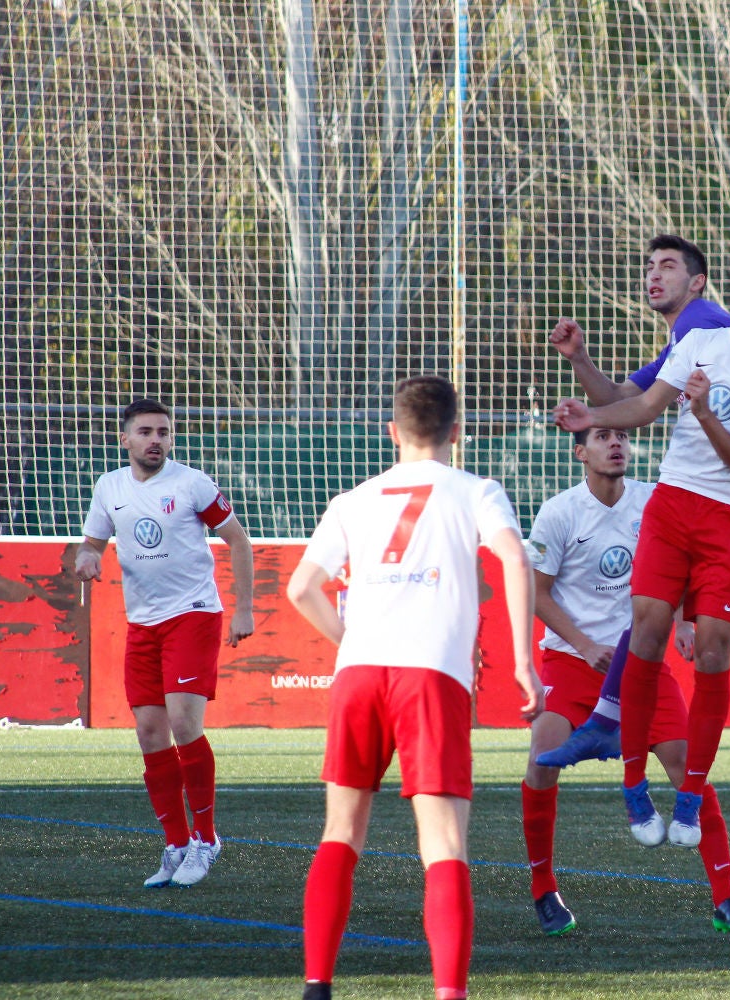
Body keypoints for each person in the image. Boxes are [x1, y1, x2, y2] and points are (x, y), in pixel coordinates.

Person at [542, 232, 730, 829]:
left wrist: (691, 412)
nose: (654, 277)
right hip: (684, 498)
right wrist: (588, 406)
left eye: (667, 267)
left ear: (697, 283)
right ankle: (609, 723)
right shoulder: (694, 338)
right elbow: (635, 402)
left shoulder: (708, 325)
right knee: (648, 619)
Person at [286, 375, 543, 1000]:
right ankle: (449, 994)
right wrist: (523, 664)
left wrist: (350, 640)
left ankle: (317, 985)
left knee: (340, 832)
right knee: (445, 842)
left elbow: (300, 589)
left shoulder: (353, 498)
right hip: (431, 674)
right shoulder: (476, 490)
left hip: (359, 672)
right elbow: (515, 557)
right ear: (456, 432)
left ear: (392, 432)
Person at [521, 426, 730, 935]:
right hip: (573, 665)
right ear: (580, 452)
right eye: (603, 437)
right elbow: (535, 593)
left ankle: (726, 898)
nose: (616, 445)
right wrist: (585, 645)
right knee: (542, 757)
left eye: (622, 438)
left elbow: (683, 568)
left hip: (642, 669)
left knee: (687, 766)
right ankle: (544, 889)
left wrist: (680, 622)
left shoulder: (653, 502)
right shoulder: (559, 512)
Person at [73, 398, 254, 889]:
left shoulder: (192, 483)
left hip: (193, 615)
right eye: (146, 432)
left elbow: (238, 540)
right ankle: (175, 844)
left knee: (182, 722)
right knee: (150, 734)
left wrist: (243, 609)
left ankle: (207, 839)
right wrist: (86, 558)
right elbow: (91, 542)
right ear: (125, 438)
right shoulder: (109, 487)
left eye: (164, 432)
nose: (156, 440)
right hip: (143, 624)